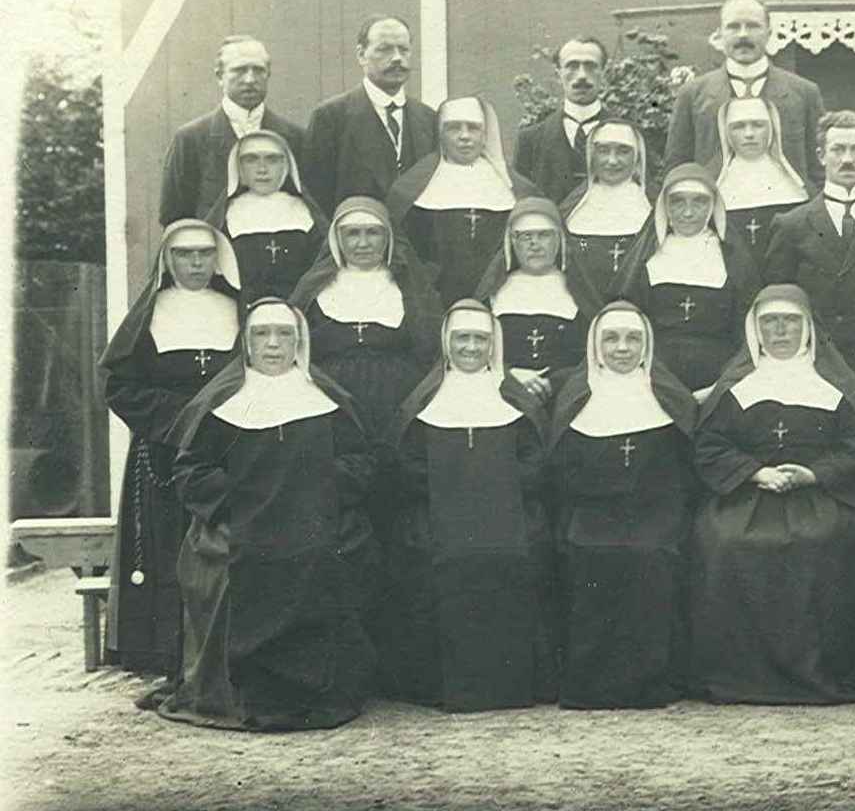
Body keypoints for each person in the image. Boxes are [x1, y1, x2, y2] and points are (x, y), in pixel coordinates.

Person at [157, 300, 378, 730]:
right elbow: (192, 472)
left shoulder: (327, 400)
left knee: (334, 555)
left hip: (315, 518)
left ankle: (317, 691)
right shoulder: (222, 402)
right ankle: (240, 692)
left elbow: (360, 461)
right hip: (238, 521)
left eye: (284, 334)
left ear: (300, 342)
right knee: (229, 563)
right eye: (262, 334)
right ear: (246, 343)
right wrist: (241, 503)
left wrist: (318, 493)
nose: (273, 344)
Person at [689, 285, 855, 704]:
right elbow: (711, 445)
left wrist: (813, 474)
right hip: (748, 493)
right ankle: (740, 676)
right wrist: (755, 472)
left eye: (789, 321)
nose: (779, 331)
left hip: (816, 495)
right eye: (769, 322)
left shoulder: (835, 385)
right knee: (723, 540)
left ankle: (817, 672)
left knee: (822, 539)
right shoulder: (736, 385)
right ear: (755, 329)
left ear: (807, 328)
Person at [390, 301, 552, 710]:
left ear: (494, 344)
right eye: (462, 338)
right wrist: (457, 486)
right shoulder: (424, 400)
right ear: (447, 343)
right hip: (440, 520)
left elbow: (536, 463)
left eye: (481, 339)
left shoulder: (514, 399)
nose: (471, 347)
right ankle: (443, 687)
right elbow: (406, 466)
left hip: (507, 519)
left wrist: (491, 484)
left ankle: (510, 685)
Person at [100, 220, 243, 677]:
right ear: (168, 260)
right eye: (184, 254)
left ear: (218, 259)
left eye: (204, 253)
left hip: (225, 448)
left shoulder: (238, 310)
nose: (196, 263)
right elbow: (119, 387)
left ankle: (220, 652)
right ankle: (166, 654)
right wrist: (182, 419)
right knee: (165, 549)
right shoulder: (149, 315)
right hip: (163, 452)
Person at [545, 303, 701, 709]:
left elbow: (683, 472)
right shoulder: (577, 395)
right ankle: (590, 686)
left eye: (633, 339)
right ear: (595, 346)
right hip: (590, 511)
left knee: (650, 557)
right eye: (611, 339)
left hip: (656, 511)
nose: (622, 348)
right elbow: (561, 471)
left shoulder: (668, 396)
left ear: (646, 345)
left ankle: (650, 684)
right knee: (592, 557)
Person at [763, 110, 855, 403]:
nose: (847, 159)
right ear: (821, 155)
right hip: (817, 366)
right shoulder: (791, 225)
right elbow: (779, 299)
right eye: (838, 149)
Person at [289, 197, 443, 453]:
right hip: (331, 400)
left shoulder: (410, 286)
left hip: (398, 399)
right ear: (337, 238)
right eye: (352, 234)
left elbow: (430, 347)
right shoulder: (313, 287)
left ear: (388, 237)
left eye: (373, 233)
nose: (363, 243)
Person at [616, 162, 762, 395]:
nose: (688, 213)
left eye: (699, 202)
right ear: (664, 206)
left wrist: (723, 385)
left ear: (713, 206)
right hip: (652, 378)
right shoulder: (645, 259)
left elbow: (748, 333)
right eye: (677, 202)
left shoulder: (734, 260)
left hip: (719, 379)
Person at [387, 95, 540, 303]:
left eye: (473, 128)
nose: (464, 136)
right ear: (440, 134)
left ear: (485, 134)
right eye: (454, 128)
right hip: (434, 297)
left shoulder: (517, 189)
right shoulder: (410, 188)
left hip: (502, 296)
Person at [661, 0, 823, 182]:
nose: (743, 34)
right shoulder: (692, 94)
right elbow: (677, 169)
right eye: (733, 27)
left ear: (769, 33)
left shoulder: (804, 93)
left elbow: (819, 170)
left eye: (753, 26)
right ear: (720, 34)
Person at [157, 35, 307, 224]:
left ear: (268, 74)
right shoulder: (191, 139)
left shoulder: (294, 138)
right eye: (239, 70)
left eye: (259, 70)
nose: (250, 79)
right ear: (220, 76)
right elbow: (174, 217)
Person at [302, 16, 439, 213]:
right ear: (361, 55)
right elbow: (316, 197)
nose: (397, 58)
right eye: (385, 49)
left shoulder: (428, 119)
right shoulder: (330, 118)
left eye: (403, 49)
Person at [474, 197, 601, 400]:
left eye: (544, 235)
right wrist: (509, 376)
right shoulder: (492, 294)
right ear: (512, 241)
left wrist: (554, 383)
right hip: (502, 395)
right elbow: (475, 351)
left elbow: (594, 356)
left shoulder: (579, 293)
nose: (534, 244)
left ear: (559, 239)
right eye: (526, 236)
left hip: (565, 396)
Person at [203, 129, 326, 306]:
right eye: (251, 160)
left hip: (300, 309)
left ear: (286, 165)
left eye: (272, 159)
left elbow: (321, 271)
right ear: (239, 167)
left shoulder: (306, 212)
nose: (262, 169)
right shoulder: (225, 215)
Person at [557, 118, 653, 302]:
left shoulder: (654, 206)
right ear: (591, 155)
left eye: (623, 151)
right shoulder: (570, 208)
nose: (612, 160)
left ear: (638, 156)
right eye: (603, 150)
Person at [513, 35, 611, 200]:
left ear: (604, 72)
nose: (582, 75)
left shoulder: (630, 135)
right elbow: (522, 204)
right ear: (558, 73)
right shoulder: (530, 140)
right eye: (572, 66)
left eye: (590, 66)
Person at [713, 93, 811, 256]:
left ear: (772, 128)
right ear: (726, 132)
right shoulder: (713, 183)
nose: (749, 134)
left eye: (758, 125)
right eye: (738, 126)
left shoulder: (799, 185)